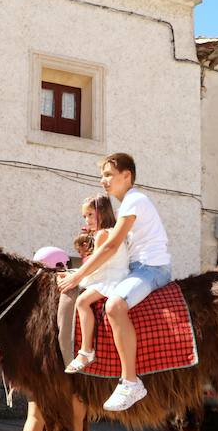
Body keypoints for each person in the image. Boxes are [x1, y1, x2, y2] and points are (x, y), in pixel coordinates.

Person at [58, 152, 171, 412]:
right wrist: (78, 274)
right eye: (102, 175)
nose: (103, 181)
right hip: (137, 268)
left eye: (108, 175)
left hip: (152, 268)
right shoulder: (127, 205)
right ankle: (88, 352)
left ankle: (131, 381)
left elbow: (110, 247)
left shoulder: (134, 200)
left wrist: (77, 276)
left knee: (115, 306)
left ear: (126, 175)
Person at [16, 247, 90, 431]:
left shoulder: (31, 296)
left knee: (37, 417)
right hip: (60, 367)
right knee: (71, 415)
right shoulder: (65, 290)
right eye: (64, 266)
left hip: (46, 367)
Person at [64, 195, 129, 373]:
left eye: (91, 214)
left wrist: (75, 276)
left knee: (82, 302)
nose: (87, 220)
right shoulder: (115, 231)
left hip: (111, 277)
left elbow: (96, 264)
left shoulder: (102, 234)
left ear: (102, 212)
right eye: (85, 216)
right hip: (118, 274)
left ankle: (86, 350)